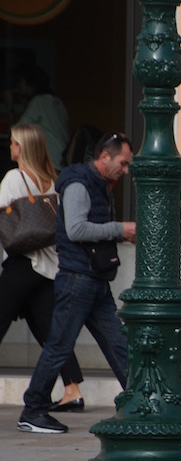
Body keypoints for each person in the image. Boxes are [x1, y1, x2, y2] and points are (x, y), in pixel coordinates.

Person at [17, 132, 136, 434]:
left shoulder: (99, 184)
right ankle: (33, 409)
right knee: (59, 345)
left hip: (94, 279)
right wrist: (120, 229)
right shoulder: (79, 184)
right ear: (104, 157)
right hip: (77, 279)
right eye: (123, 163)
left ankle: (139, 401)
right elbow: (77, 229)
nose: (126, 170)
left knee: (119, 342)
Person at [0, 124, 86, 411]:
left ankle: (69, 390)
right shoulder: (53, 182)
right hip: (48, 268)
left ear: (21, 147)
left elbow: (3, 221)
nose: (10, 147)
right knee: (52, 331)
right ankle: (72, 389)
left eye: (13, 142)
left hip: (22, 263)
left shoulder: (14, 178)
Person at [10, 64, 69, 172]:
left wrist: (10, 107)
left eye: (20, 83)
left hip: (49, 163)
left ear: (27, 82)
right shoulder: (57, 102)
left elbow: (17, 133)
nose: (18, 87)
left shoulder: (38, 102)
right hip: (61, 162)